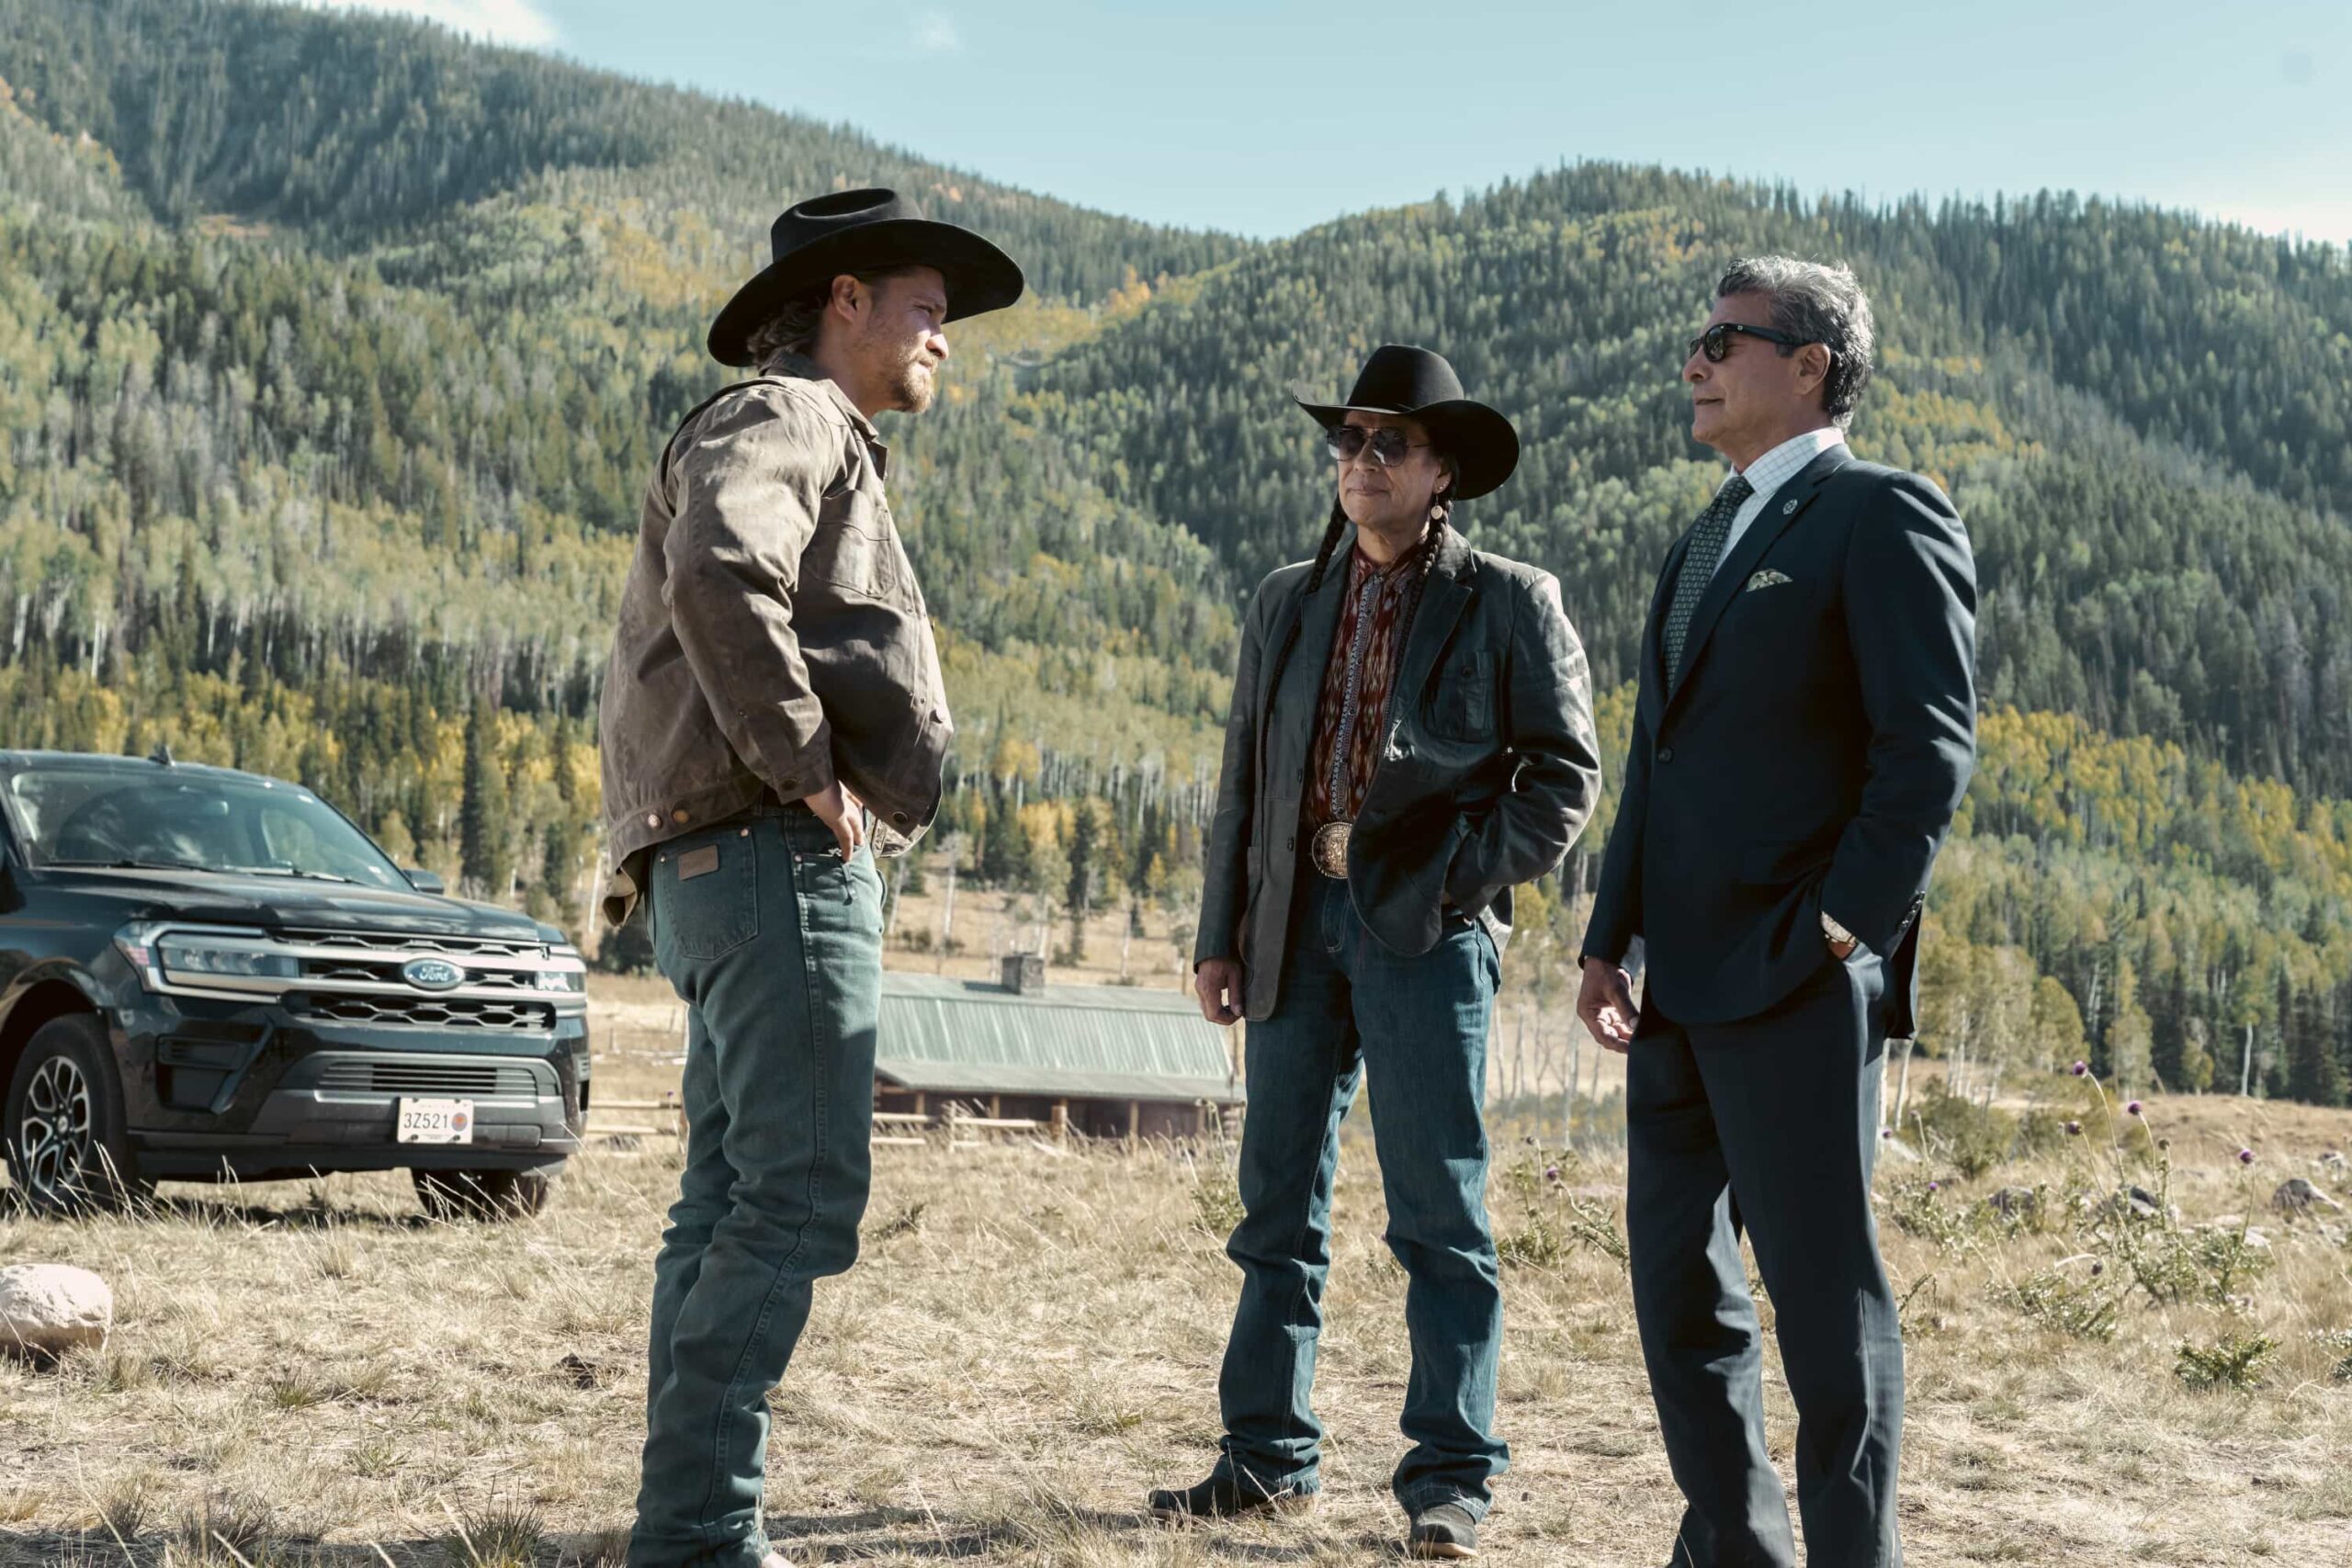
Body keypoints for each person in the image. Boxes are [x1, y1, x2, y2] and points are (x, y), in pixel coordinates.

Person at [596, 188, 1023, 1568]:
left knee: (724, 1196)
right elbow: (725, 563)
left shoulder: (802, 429)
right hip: (774, 856)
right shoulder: (785, 418)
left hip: (725, 859)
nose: (941, 337)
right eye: (924, 308)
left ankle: (687, 1519)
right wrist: (809, 773)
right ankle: (701, 1533)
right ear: (844, 302)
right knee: (795, 1198)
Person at [1156, 344, 1602, 1560]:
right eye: (1348, 440)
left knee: (1439, 1214)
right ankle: (1264, 1459)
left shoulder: (1510, 601)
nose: (1359, 462)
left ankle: (1450, 1480)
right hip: (1292, 932)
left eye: (1387, 442)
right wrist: (1219, 938)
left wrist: (1448, 879)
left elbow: (1565, 781)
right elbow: (1243, 781)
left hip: (1426, 938)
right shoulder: (1284, 602)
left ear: (1442, 467)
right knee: (1274, 1208)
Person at [1577, 256, 1977, 1568]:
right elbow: (1659, 760)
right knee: (1679, 1295)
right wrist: (1602, 937)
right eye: (1696, 339)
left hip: (1801, 980)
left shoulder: (1882, 513)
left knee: (1824, 1309)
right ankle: (1735, 1549)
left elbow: (1927, 750)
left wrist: (1844, 932)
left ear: (1809, 365)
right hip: (1677, 987)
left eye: (1722, 339)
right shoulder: (1700, 539)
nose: (1693, 360)